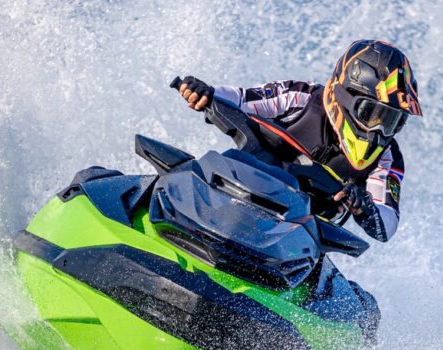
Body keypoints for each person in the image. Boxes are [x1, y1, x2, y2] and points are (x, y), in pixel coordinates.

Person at [174, 40, 421, 242]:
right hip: (235, 199)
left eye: (392, 120)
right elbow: (238, 98)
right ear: (346, 96)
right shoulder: (299, 97)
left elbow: (387, 225)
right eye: (373, 113)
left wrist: (366, 208)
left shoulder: (387, 157)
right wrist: (205, 92)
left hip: (296, 240)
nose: (380, 128)